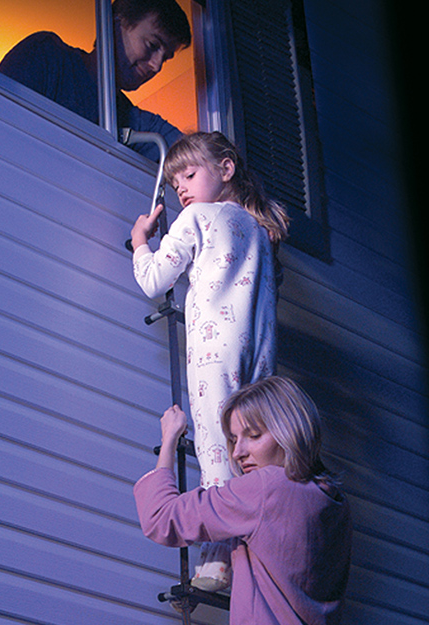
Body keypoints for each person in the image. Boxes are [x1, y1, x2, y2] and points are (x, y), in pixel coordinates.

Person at [130, 131, 289, 591]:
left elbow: (155, 281)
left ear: (225, 169)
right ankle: (252, 553)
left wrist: (141, 241)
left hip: (214, 351)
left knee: (215, 449)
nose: (180, 188)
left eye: (189, 174)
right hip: (259, 357)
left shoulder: (198, 216)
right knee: (250, 452)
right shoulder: (259, 229)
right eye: (175, 180)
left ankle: (217, 558)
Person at [134, 376, 352, 624]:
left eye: (254, 435)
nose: (238, 453)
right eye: (234, 439)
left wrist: (169, 440)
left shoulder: (266, 487)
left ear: (289, 432)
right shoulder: (335, 502)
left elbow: (161, 517)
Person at [0, 0, 191, 161]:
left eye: (165, 58)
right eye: (152, 45)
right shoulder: (47, 56)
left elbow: (198, 158)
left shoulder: (136, 121)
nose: (156, 66)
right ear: (115, 24)